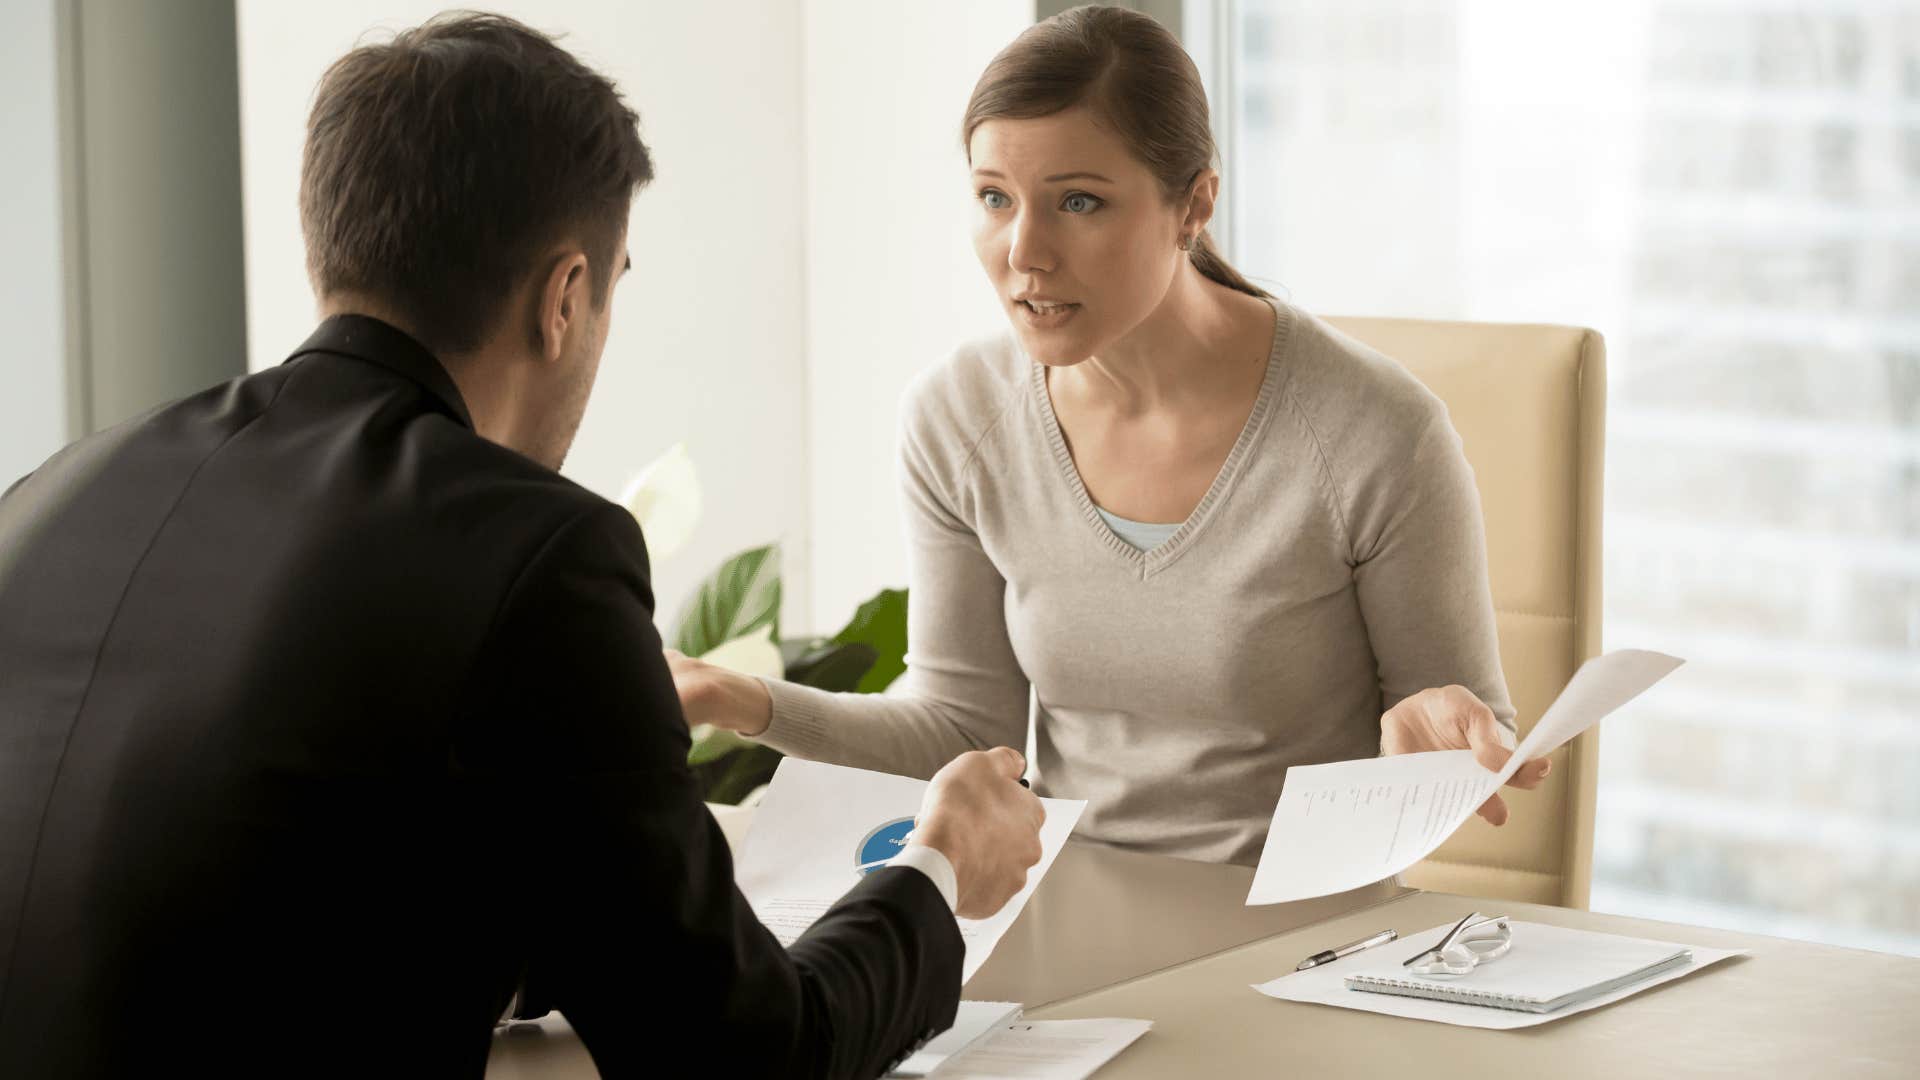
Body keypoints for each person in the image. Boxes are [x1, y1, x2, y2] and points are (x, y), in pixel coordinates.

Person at [0, 13, 1042, 1078]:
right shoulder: (535, 553)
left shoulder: (53, 490)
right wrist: (937, 872)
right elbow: (750, 1058)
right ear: (564, 298)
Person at [669, 4, 1551, 867]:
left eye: (1079, 201)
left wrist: (1431, 755)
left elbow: (1468, 731)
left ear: (1194, 205)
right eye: (993, 199)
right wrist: (737, 699)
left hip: (1301, 937)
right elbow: (961, 729)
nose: (1025, 254)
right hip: (1065, 913)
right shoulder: (958, 418)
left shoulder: (1375, 434)